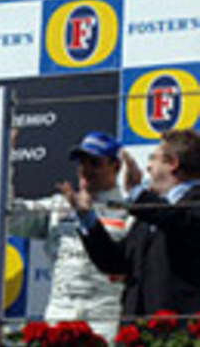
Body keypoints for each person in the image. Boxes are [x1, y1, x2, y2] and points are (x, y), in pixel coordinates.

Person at [9, 131, 131, 342]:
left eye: (95, 163)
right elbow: (8, 217)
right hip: (60, 313)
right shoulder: (60, 205)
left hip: (105, 317)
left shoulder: (129, 211)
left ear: (116, 167)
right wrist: (1, 159)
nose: (85, 170)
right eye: (81, 162)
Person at [65, 129, 200, 317]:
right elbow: (116, 262)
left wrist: (136, 192)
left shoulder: (189, 204)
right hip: (138, 328)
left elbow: (177, 220)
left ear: (172, 163)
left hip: (182, 329)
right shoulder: (149, 212)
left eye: (153, 159)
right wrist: (88, 218)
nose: (148, 168)